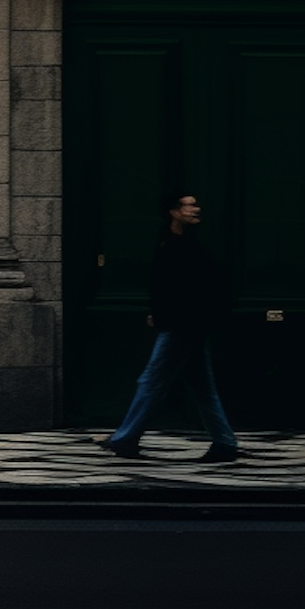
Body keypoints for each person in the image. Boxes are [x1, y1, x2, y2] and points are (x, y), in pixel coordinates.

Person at [100, 191, 239, 464]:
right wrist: (157, 311)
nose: (196, 209)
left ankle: (125, 438)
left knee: (150, 381)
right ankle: (224, 441)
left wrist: (165, 315)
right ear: (174, 212)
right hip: (185, 324)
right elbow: (165, 284)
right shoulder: (173, 243)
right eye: (189, 206)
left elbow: (191, 289)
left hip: (181, 326)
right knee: (203, 388)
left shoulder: (187, 245)